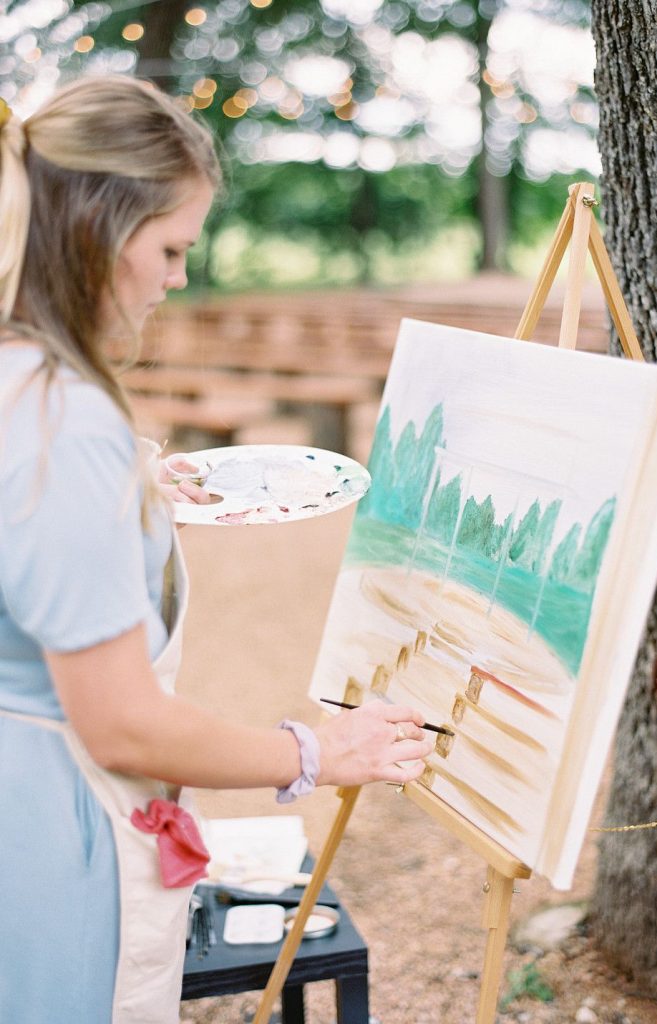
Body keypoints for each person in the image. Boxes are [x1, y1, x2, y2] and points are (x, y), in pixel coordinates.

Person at [0, 76, 434, 1023]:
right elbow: (122, 724)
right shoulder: (61, 423)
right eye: (169, 248)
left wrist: (132, 499)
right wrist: (316, 750)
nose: (178, 278)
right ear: (100, 235)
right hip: (46, 836)